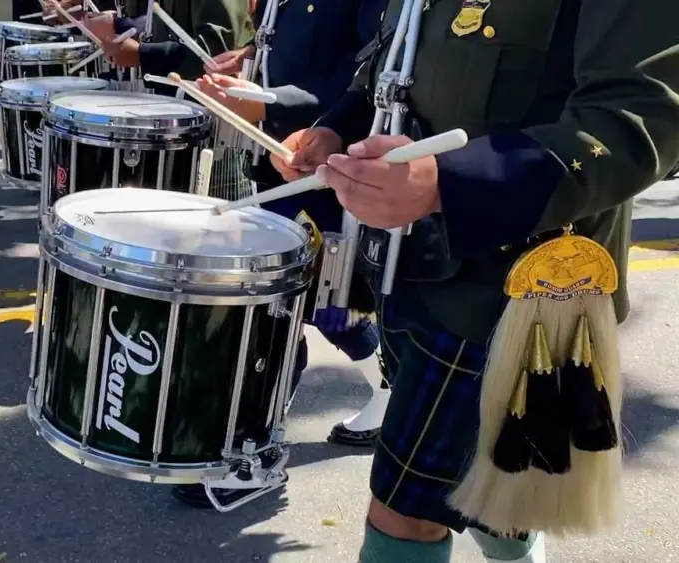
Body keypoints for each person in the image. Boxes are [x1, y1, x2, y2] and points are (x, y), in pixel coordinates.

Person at [274, 0, 679, 561]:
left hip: (508, 291)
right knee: (491, 489)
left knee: (405, 509)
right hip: (406, 264)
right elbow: (396, 66)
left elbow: (635, 122)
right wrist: (335, 130)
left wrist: (449, 183)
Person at [167, 0, 388, 510]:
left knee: (288, 311)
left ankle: (250, 454)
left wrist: (268, 102)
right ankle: (387, 386)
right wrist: (248, 59)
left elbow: (367, 82)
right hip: (275, 162)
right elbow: (289, 42)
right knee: (317, 306)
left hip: (323, 165)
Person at [83, 0, 252, 84]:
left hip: (208, 112)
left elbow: (213, 57)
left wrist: (142, 54)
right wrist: (121, 26)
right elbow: (159, 22)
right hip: (166, 92)